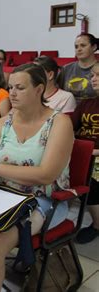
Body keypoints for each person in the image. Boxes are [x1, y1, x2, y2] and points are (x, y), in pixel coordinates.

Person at [0, 63, 73, 291]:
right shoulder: (3, 123)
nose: (13, 94)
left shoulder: (59, 123)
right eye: (10, 88)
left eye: (20, 87)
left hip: (44, 200)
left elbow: (45, 174)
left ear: (39, 89)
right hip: (1, 196)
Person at [73, 62, 99, 244]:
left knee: (92, 181)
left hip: (95, 156)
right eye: (92, 76)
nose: (93, 80)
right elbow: (70, 129)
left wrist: (94, 152)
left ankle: (97, 225)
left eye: (98, 75)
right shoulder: (87, 103)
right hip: (84, 154)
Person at [58, 33, 98, 104]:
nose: (79, 49)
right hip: (69, 111)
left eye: (83, 45)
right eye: (76, 47)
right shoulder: (66, 69)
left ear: (94, 47)